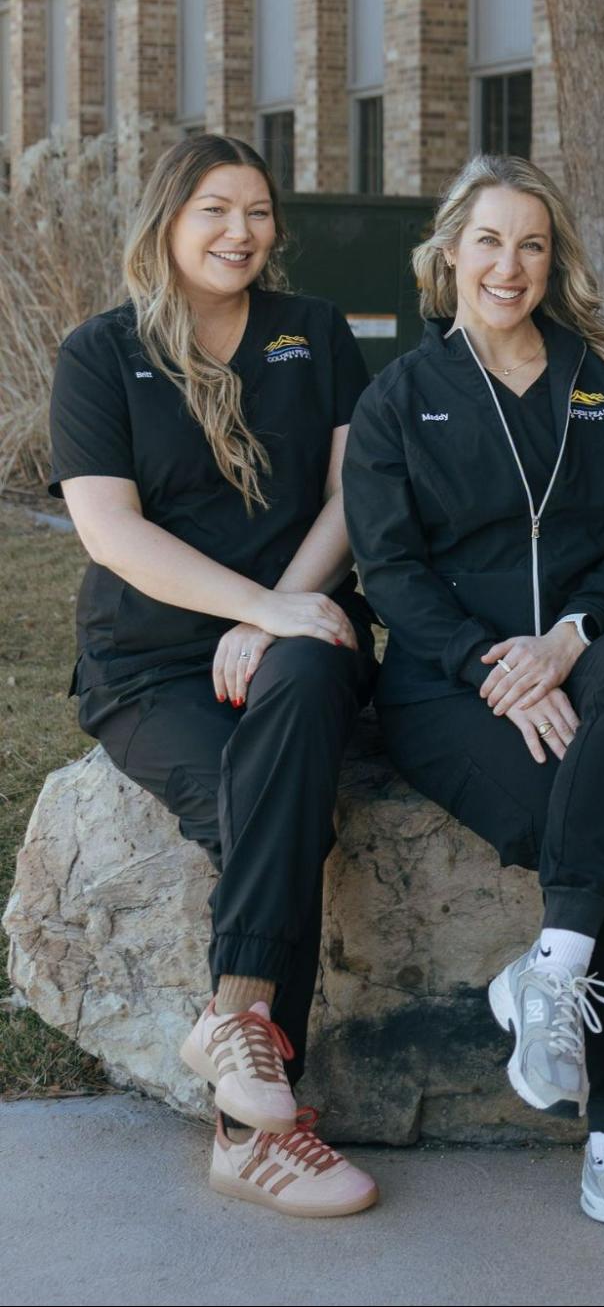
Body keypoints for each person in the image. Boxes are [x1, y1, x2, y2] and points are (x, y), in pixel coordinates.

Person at [344, 154, 604, 1256]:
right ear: (448, 257)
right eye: (487, 241)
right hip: (444, 691)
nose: (507, 264)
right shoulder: (398, 399)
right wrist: (490, 667)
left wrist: (571, 635)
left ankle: (549, 971)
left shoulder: (597, 381)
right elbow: (389, 570)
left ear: (552, 259)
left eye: (530, 243)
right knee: (595, 833)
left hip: (577, 656)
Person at [49, 134, 379, 1217]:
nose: (240, 232)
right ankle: (256, 1129)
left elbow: (348, 499)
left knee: (304, 683)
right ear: (166, 222)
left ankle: (240, 1052)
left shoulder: (312, 334)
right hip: (148, 665)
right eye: (213, 211)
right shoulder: (101, 353)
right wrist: (252, 608)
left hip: (302, 629)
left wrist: (283, 609)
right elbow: (109, 533)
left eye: (257, 211)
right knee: (270, 809)